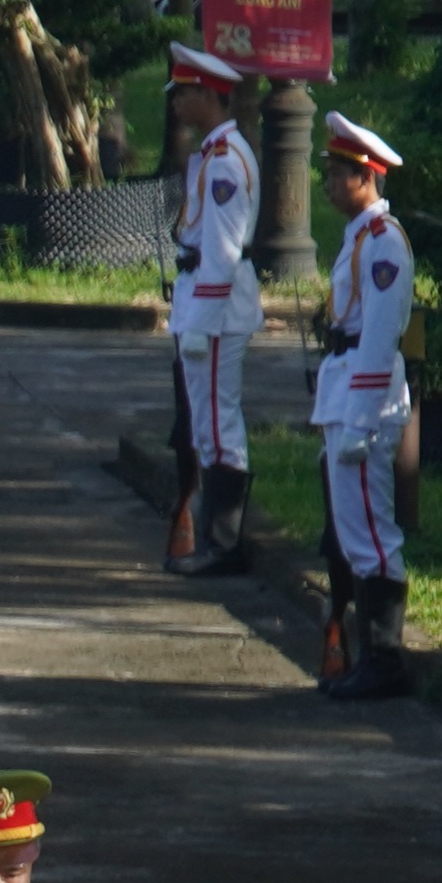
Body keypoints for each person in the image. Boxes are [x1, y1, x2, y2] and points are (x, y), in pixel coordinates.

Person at [311, 115, 418, 698]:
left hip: (367, 400)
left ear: (365, 177)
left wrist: (357, 419)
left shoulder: (384, 244)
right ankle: (372, 658)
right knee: (355, 533)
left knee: (374, 534)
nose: (328, 184)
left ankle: (387, 660)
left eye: (337, 174)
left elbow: (378, 334)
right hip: (347, 386)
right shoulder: (359, 237)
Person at [162, 45, 264, 577]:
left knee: (219, 425)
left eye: (183, 92)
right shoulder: (211, 153)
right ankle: (214, 540)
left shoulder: (225, 160)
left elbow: (223, 252)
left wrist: (199, 321)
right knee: (206, 425)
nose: (177, 102)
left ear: (207, 94)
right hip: (203, 304)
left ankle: (223, 545)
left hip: (218, 311)